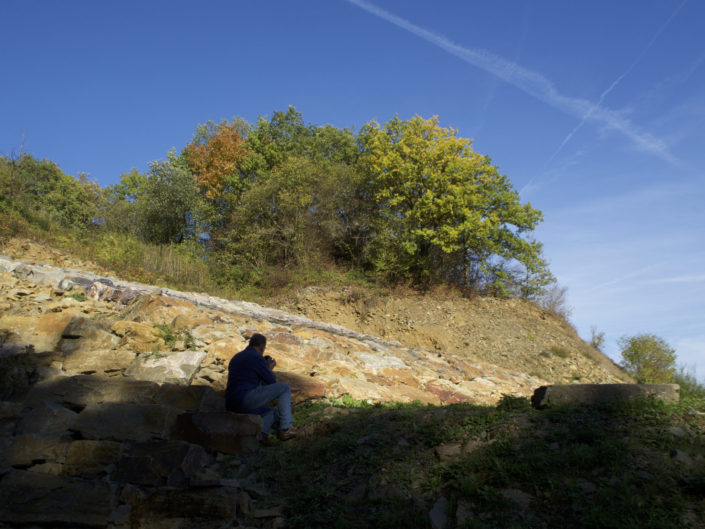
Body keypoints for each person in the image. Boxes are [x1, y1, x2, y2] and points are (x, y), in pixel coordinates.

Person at [225, 333, 298, 444]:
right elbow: (271, 381)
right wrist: (269, 368)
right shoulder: (256, 356)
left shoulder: (236, 357)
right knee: (284, 388)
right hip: (246, 398)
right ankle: (286, 429)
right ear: (261, 347)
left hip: (231, 403)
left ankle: (262, 436)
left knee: (270, 412)